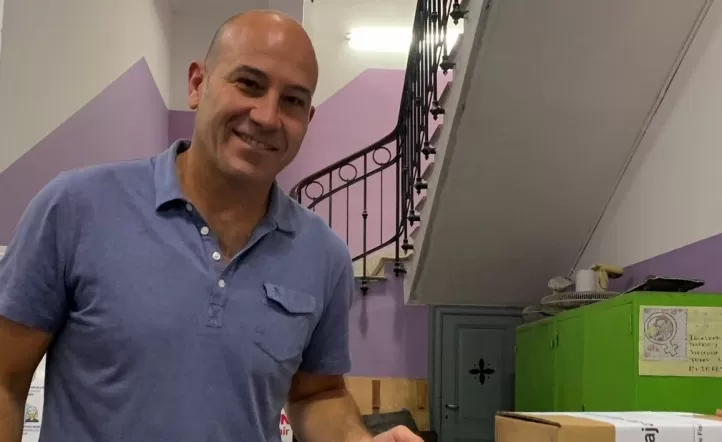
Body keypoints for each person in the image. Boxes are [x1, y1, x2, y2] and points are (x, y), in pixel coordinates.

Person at [0, 9, 422, 442]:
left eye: (292, 101)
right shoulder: (75, 208)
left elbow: (318, 394)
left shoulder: (325, 256)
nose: (267, 116)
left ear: (307, 121)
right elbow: (5, 379)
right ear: (197, 84)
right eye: (249, 84)